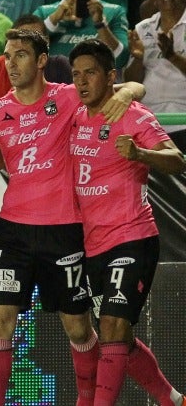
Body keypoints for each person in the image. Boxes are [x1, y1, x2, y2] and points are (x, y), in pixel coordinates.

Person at [0, 29, 145, 406]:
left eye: (20, 55)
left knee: (79, 326)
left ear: (40, 61)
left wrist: (129, 91)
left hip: (64, 231)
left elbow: (131, 85)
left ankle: (86, 399)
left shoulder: (68, 96)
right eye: (7, 55)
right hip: (12, 232)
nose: (11, 63)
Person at [68, 38, 186, 406]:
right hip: (90, 245)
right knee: (114, 336)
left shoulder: (132, 115)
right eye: (76, 75)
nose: (83, 81)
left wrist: (140, 153)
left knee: (114, 327)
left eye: (91, 73)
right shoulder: (73, 114)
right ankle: (172, 399)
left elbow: (177, 158)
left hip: (132, 238)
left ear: (110, 77)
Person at [125, 0, 186, 140]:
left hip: (183, 117)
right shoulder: (142, 29)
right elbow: (132, 81)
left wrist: (173, 57)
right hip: (149, 121)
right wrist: (138, 59)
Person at [33, 0, 130, 71]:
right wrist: (53, 20)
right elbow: (25, 49)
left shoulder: (115, 12)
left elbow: (121, 60)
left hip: (94, 84)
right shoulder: (44, 12)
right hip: (53, 83)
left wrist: (101, 24)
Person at [0, 14, 72, 103]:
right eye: (22, 39)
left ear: (47, 42)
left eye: (35, 39)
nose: (28, 44)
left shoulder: (59, 66)